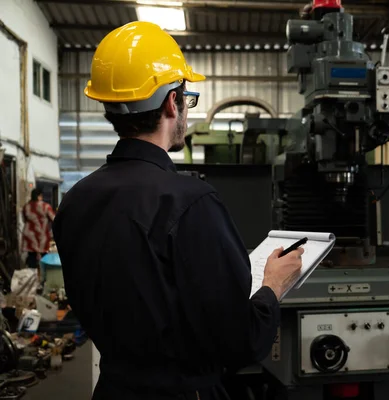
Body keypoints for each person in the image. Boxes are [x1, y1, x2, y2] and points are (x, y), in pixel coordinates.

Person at [51, 21, 303, 400]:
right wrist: (272, 287)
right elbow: (240, 341)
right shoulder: (190, 202)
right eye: (187, 97)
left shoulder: (75, 200)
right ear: (173, 101)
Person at [21, 188, 55, 278]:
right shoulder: (46, 206)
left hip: (30, 236)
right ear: (39, 196)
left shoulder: (26, 206)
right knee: (44, 258)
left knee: (31, 257)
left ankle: (31, 279)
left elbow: (24, 220)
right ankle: (44, 278)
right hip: (42, 236)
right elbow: (54, 219)